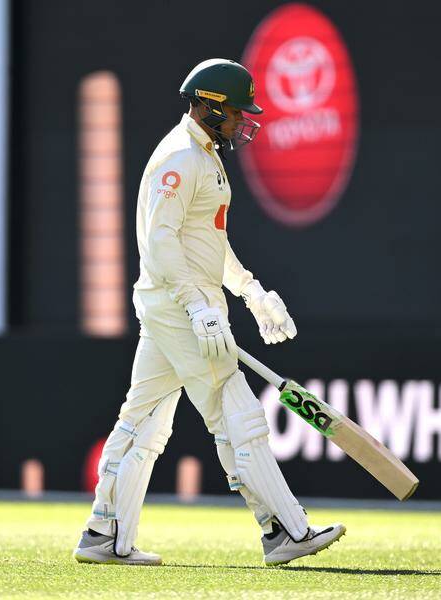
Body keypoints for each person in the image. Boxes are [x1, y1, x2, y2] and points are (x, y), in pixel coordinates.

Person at [73, 58, 345, 567]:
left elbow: (208, 244)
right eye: (238, 113)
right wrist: (197, 305)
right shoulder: (180, 157)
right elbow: (160, 243)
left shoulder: (206, 156)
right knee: (237, 413)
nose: (245, 123)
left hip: (178, 306)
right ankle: (285, 530)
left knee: (145, 419)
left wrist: (250, 291)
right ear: (210, 106)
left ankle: (103, 533)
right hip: (181, 308)